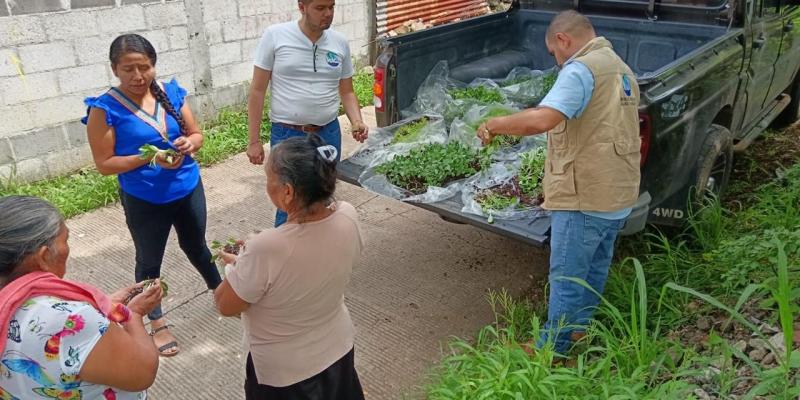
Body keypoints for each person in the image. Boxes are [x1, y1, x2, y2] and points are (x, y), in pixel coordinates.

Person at [475, 10, 641, 356]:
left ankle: (552, 350)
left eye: (554, 52)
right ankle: (578, 331)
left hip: (586, 195)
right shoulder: (619, 67)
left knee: (566, 277)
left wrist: (495, 124)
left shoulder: (580, 69)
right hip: (617, 192)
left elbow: (543, 119)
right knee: (593, 269)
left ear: (563, 39)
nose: (557, 60)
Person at [83, 34, 222, 357]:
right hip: (144, 199)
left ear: (154, 65)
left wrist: (190, 143)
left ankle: (220, 291)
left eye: (144, 67)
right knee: (149, 261)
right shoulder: (105, 109)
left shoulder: (170, 93)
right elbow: (105, 164)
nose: (137, 76)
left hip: (187, 187)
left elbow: (196, 134)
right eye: (128, 69)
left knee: (197, 245)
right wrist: (150, 157)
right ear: (114, 69)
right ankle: (157, 323)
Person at [214, 134, 365, 400]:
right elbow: (307, 263)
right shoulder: (347, 215)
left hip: (286, 376)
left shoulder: (265, 247)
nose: (266, 186)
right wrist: (251, 259)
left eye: (268, 179)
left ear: (287, 192)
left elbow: (225, 305)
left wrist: (239, 265)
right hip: (337, 350)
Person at [0, 195, 163, 399]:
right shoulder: (69, 321)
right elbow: (142, 373)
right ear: (43, 257)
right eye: (65, 240)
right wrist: (133, 315)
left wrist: (105, 305)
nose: (67, 248)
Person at [246, 0, 369, 227]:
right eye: (320, 8)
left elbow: (347, 91)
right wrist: (254, 141)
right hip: (287, 135)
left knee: (322, 199)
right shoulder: (276, 36)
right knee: (288, 202)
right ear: (302, 7)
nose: (328, 13)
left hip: (327, 134)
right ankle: (285, 247)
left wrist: (357, 121)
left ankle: (319, 246)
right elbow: (257, 90)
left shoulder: (339, 42)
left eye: (331, 7)